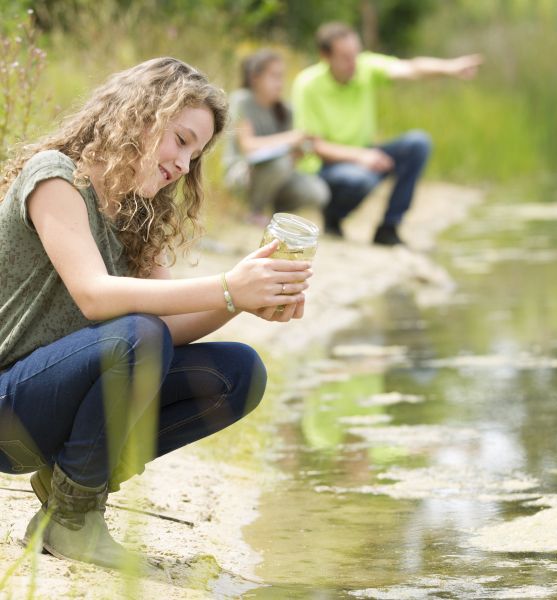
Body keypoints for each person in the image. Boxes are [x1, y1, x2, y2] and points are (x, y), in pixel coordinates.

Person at [0, 57, 312, 569]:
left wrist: (242, 303)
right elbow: (94, 295)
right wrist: (227, 287)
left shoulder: (139, 213)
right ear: (140, 116)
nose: (186, 165)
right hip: (11, 406)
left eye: (198, 153)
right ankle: (73, 521)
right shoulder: (54, 177)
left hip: (65, 404)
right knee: (137, 334)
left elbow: (171, 331)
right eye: (182, 140)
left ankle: (69, 496)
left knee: (237, 373)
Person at [292, 21, 482, 245]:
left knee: (418, 143)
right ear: (325, 56)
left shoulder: (365, 67)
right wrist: (361, 157)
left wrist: (449, 68)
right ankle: (333, 216)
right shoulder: (307, 84)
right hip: (325, 167)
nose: (353, 63)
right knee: (361, 178)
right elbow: (312, 146)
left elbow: (411, 68)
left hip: (365, 154)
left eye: (356, 54)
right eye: (345, 57)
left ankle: (389, 227)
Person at [223, 48, 329, 225]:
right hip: (242, 173)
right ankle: (253, 212)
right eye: (274, 76)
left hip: (278, 175)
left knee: (318, 191)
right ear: (255, 78)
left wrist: (300, 150)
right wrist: (289, 138)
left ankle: (275, 216)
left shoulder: (286, 111)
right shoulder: (242, 101)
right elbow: (247, 146)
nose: (280, 83)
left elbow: (289, 160)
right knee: (280, 164)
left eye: (282, 77)